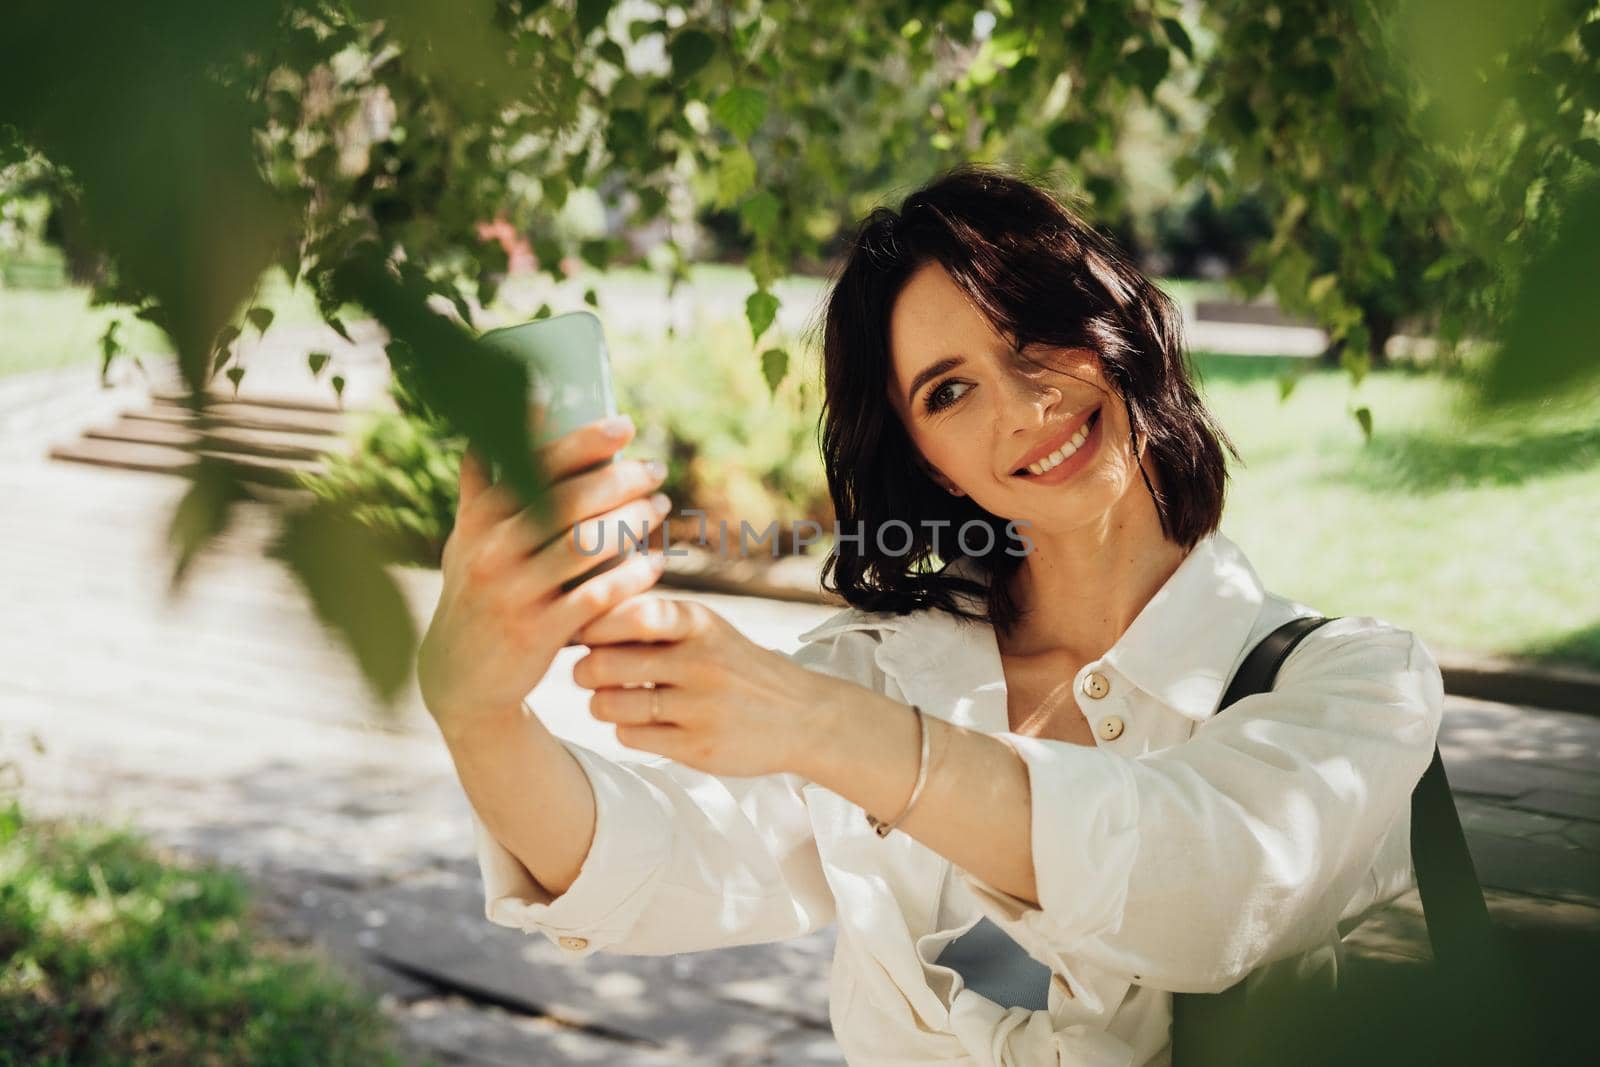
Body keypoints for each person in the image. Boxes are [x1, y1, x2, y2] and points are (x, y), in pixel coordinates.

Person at [416, 163, 1444, 1066]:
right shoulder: (883, 664)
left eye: (1036, 332)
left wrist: (829, 729)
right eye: (949, 391)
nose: (1022, 405)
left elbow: (1215, 889)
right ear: (927, 462)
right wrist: (478, 715)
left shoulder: (1355, 681)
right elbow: (669, 860)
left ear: (1121, 325)